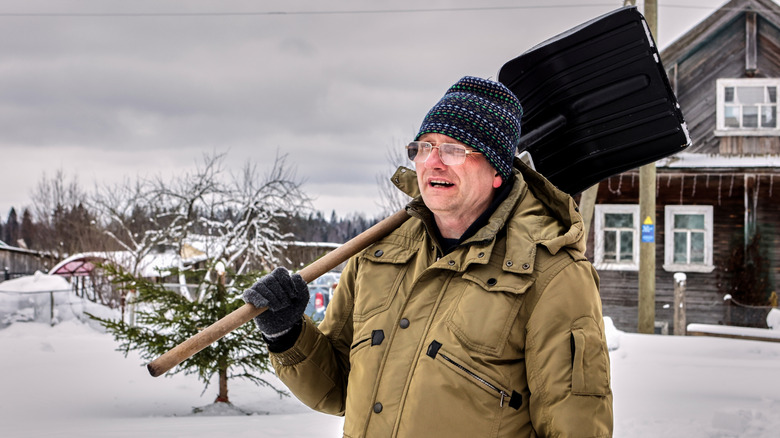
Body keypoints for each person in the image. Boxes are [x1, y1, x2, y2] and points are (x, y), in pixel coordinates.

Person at [243, 76, 613, 437]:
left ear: (497, 171)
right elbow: (337, 388)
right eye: (424, 147)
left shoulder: (552, 275)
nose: (433, 162)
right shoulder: (377, 254)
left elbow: (576, 426)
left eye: (453, 149)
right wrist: (288, 333)